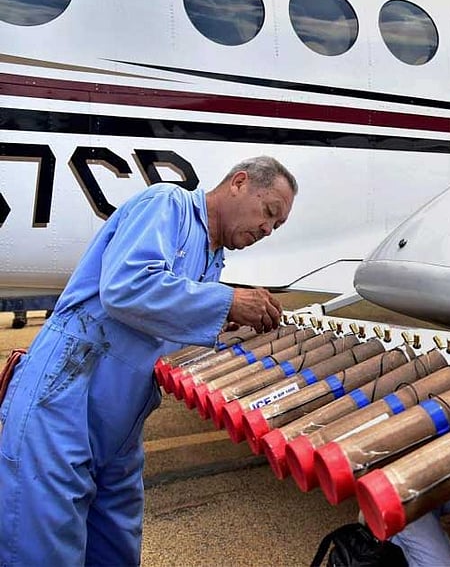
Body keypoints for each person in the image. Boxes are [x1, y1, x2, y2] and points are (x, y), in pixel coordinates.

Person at [0, 155, 297, 567]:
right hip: (64, 398)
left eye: (276, 227)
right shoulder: (168, 205)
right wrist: (228, 300)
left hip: (121, 421)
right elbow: (125, 287)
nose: (267, 230)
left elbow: (161, 328)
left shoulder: (212, 261)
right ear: (239, 183)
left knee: (116, 548)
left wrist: (224, 328)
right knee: (42, 546)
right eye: (269, 213)